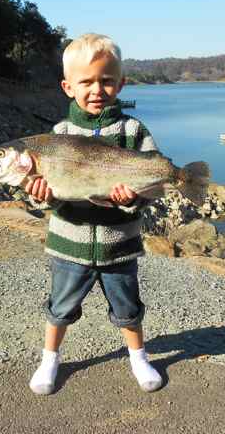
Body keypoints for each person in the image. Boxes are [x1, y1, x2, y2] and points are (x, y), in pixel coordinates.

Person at [25, 33, 162, 395]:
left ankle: (138, 356)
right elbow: (51, 199)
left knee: (129, 309)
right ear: (68, 87)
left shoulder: (134, 131)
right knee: (59, 309)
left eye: (105, 80)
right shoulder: (57, 135)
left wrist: (130, 199)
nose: (96, 89)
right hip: (68, 246)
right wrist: (42, 198)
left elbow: (150, 187)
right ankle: (50, 359)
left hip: (120, 245)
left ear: (121, 83)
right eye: (86, 82)